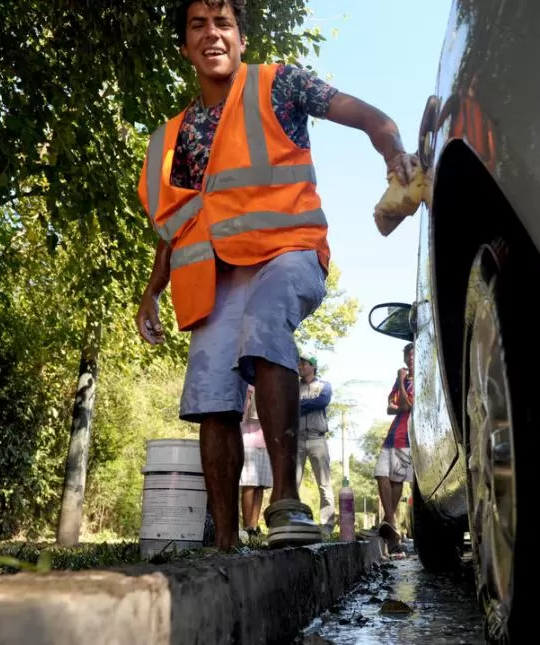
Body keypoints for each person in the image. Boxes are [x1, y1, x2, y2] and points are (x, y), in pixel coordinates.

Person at [134, 0, 418, 550]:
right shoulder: (180, 134)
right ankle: (223, 543)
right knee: (211, 390)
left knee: (266, 326)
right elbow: (178, 222)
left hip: (290, 250)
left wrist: (395, 153)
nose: (211, 34)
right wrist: (151, 292)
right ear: (185, 45)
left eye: (223, 24)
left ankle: (286, 502)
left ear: (240, 37)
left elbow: (369, 118)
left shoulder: (279, 86)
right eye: (198, 25)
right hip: (219, 272)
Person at [375, 343, 414, 552]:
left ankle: (390, 525)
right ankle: (390, 522)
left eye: (413, 355)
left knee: (396, 479)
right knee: (380, 474)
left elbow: (407, 406)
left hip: (406, 436)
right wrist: (400, 383)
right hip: (392, 433)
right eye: (407, 355)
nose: (410, 359)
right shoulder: (402, 381)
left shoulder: (416, 381)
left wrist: (401, 380)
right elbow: (390, 407)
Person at [297, 355, 335, 533]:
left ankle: (326, 526)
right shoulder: (293, 387)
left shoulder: (325, 386)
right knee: (293, 482)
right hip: (296, 439)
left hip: (317, 438)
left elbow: (322, 401)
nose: (300, 366)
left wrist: (300, 405)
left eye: (304, 363)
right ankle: (295, 522)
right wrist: (307, 404)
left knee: (324, 483)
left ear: (313, 366)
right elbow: (287, 404)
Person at [239, 384, 271, 540]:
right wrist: (249, 397)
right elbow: (242, 414)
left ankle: (253, 526)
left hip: (266, 441)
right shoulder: (247, 386)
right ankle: (246, 527)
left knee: (260, 486)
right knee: (249, 484)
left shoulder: (270, 384)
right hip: (247, 440)